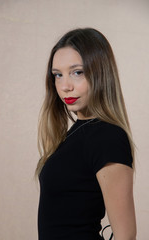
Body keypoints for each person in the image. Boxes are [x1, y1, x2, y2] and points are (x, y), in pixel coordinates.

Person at [36, 28, 137, 240]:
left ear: (100, 73)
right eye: (58, 75)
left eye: (77, 72)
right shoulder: (75, 133)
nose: (65, 86)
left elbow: (125, 235)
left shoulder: (108, 137)